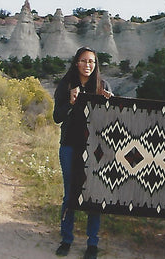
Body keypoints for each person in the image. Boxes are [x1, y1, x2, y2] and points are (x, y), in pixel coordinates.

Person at [53, 46, 112, 259]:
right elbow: (57, 117)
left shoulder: (102, 86)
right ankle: (66, 239)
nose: (88, 65)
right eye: (84, 61)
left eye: (92, 62)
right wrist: (70, 101)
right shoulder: (66, 85)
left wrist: (109, 103)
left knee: (94, 194)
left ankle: (92, 243)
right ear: (76, 62)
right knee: (70, 194)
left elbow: (111, 121)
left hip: (96, 150)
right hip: (69, 145)